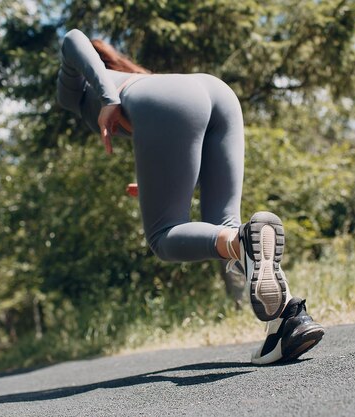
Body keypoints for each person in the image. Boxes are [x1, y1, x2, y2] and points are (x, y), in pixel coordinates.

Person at [56, 28, 324, 364]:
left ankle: (244, 243)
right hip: (217, 93)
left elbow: (72, 39)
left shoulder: (78, 92)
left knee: (163, 236)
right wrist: (158, 180)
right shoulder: (138, 79)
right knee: (225, 228)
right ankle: (290, 322)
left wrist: (107, 99)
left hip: (174, 105)